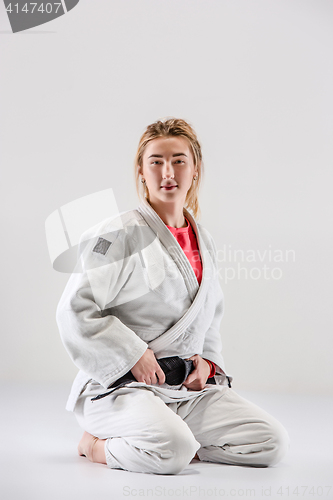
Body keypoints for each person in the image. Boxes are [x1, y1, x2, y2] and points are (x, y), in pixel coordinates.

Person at [56, 117, 290, 475]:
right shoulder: (117, 235)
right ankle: (96, 444)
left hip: (183, 392)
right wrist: (133, 353)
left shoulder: (204, 240)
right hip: (121, 388)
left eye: (179, 160)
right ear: (141, 171)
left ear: (195, 169)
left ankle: (170, 437)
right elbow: (75, 310)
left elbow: (209, 318)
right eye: (156, 161)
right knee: (174, 450)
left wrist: (207, 366)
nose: (168, 171)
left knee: (270, 442)